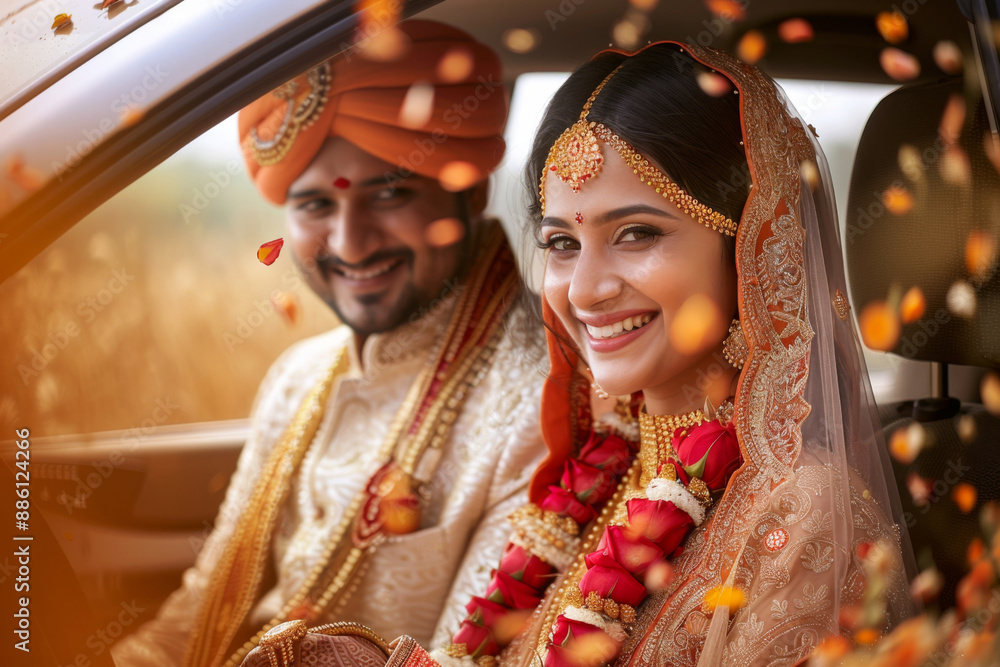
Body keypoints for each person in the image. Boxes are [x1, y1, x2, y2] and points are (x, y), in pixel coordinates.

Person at [111, 20, 548, 667]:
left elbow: (464, 658)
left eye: (390, 192)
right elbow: (194, 616)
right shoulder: (299, 375)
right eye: (316, 205)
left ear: (471, 188)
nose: (350, 243)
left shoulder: (542, 395)